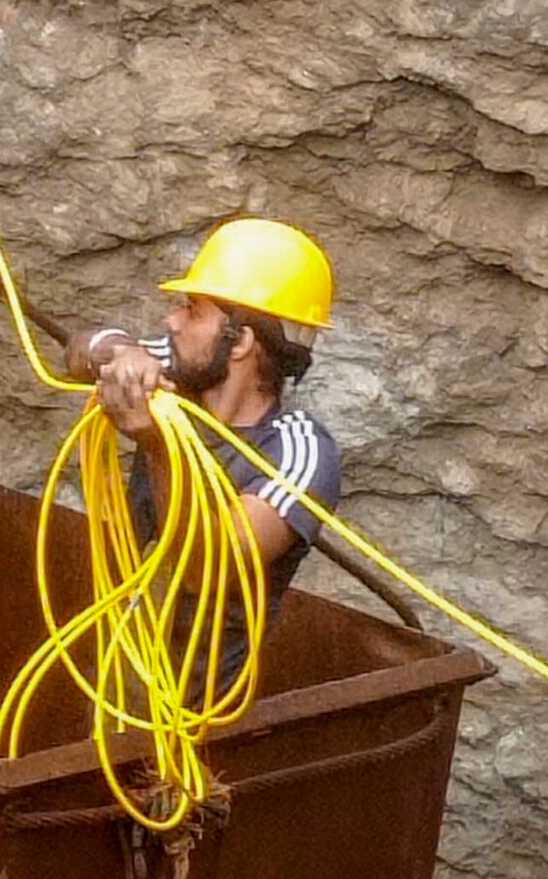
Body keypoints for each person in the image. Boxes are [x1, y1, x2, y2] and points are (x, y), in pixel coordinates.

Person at [64, 216, 342, 696]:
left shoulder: (300, 451)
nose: (172, 320)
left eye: (193, 310)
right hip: (112, 677)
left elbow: (209, 565)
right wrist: (122, 352)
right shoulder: (179, 374)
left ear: (242, 342)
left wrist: (158, 445)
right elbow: (80, 348)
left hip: (197, 716)